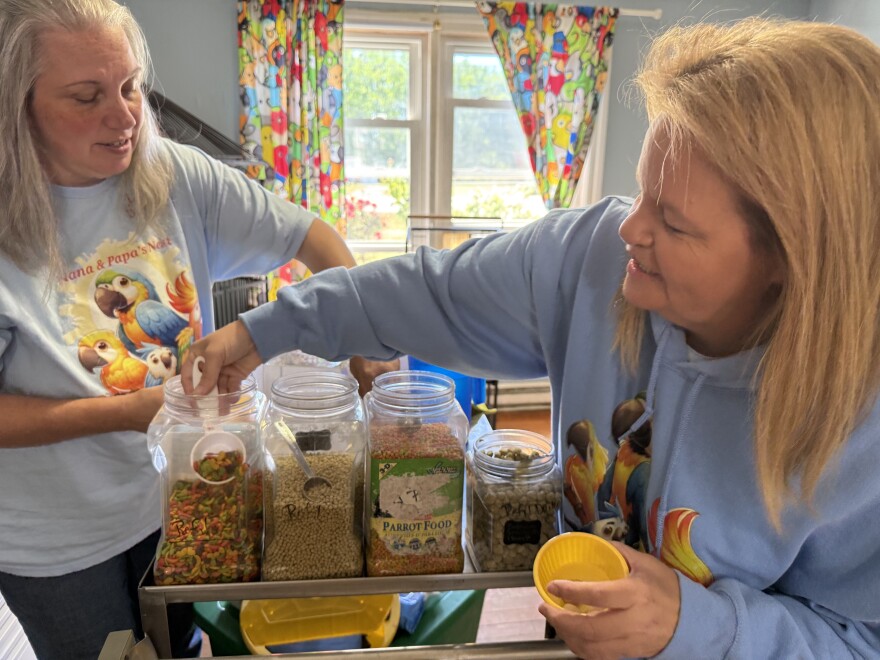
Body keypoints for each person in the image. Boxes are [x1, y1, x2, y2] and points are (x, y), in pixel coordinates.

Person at [185, 17, 880, 659]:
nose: (630, 229)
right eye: (640, 194)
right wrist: (267, 325)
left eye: (672, 222)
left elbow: (858, 637)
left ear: (790, 260)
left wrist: (692, 626)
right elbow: (430, 292)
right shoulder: (593, 259)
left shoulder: (862, 423)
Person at [0, 0, 396, 658]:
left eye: (131, 87)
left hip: (183, 498)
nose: (125, 117)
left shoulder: (176, 174)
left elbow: (314, 237)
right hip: (57, 540)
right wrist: (129, 412)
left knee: (179, 647)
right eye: (87, 96)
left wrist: (361, 343)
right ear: (17, 106)